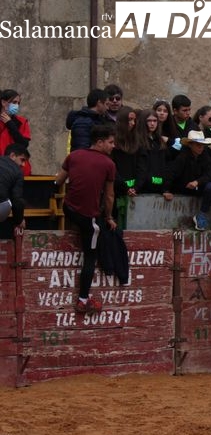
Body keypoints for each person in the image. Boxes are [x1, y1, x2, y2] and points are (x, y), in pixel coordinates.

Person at [54, 124, 117, 314]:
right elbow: (109, 196)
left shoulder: (74, 155)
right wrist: (109, 217)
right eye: (111, 142)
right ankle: (82, 299)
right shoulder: (108, 164)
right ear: (100, 142)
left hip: (69, 209)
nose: (113, 146)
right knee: (90, 256)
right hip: (88, 216)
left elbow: (58, 181)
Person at [134, 109, 170, 197]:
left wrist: (164, 189)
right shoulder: (137, 140)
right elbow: (140, 166)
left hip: (157, 187)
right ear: (143, 122)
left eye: (155, 121)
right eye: (149, 121)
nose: (152, 124)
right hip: (141, 189)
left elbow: (163, 166)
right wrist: (136, 187)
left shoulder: (159, 141)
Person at [110, 106, 142, 198]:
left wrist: (136, 187)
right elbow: (112, 168)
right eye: (130, 120)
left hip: (134, 190)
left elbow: (141, 166)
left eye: (134, 120)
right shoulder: (112, 142)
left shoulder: (137, 141)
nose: (133, 123)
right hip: (116, 190)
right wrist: (125, 187)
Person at [0, 89, 32, 177]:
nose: (16, 105)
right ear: (3, 102)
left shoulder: (22, 122)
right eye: (14, 102)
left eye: (18, 103)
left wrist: (10, 124)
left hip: (18, 169)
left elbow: (24, 144)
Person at [0, 144, 28, 236]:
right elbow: (17, 201)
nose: (23, 165)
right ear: (12, 156)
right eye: (22, 160)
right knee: (8, 202)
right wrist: (19, 220)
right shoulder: (18, 172)